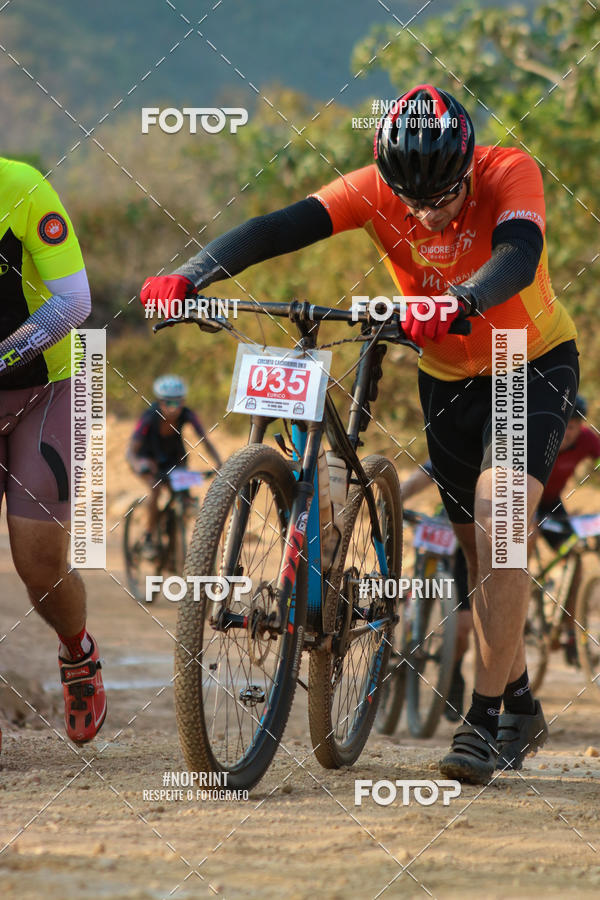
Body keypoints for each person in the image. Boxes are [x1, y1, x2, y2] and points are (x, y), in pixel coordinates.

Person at [140, 84, 580, 783]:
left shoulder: (509, 171)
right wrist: (191, 274)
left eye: (444, 197)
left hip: (525, 361)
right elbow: (278, 227)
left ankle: (482, 718)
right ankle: (520, 701)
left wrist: (461, 298)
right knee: (478, 554)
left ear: (468, 165)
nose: (429, 215)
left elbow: (519, 256)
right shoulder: (373, 188)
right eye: (414, 202)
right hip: (445, 374)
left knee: (500, 523)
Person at [0, 156, 106, 752]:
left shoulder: (22, 188)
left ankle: (77, 652)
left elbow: (73, 303)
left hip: (50, 387)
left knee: (37, 561)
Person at [399, 462, 472, 723]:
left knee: (463, 629)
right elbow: (427, 472)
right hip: (448, 526)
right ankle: (409, 625)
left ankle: (452, 673)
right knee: (421, 568)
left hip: (477, 545)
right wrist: (395, 497)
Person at [533, 394, 600, 664]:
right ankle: (520, 587)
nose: (568, 433)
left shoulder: (587, 440)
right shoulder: (539, 437)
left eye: (573, 427)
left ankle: (571, 632)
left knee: (577, 556)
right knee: (523, 543)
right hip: (524, 499)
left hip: (551, 503)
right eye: (564, 426)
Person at [126, 374, 222, 552]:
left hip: (173, 458)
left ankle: (175, 534)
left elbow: (205, 440)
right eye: (169, 402)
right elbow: (132, 450)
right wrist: (139, 465)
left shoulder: (188, 414)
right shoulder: (149, 417)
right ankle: (148, 535)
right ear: (160, 402)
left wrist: (219, 463)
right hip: (147, 459)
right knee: (155, 489)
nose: (174, 408)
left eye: (179, 402)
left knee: (183, 493)